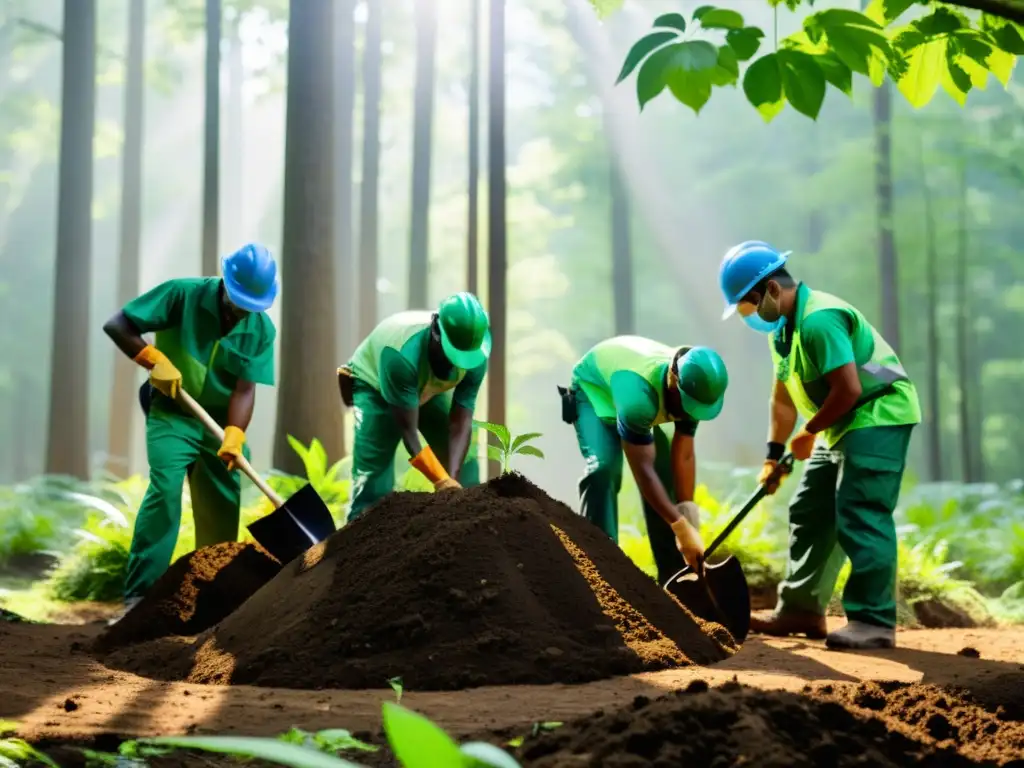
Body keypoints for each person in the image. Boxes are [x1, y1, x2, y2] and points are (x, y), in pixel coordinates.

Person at [719, 240, 921, 650]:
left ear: (772, 289)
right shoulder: (783, 332)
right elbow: (782, 399)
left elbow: (847, 388)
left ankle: (873, 621)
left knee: (860, 509)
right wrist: (774, 456)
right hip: (840, 421)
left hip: (878, 412)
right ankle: (801, 608)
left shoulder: (819, 319)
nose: (749, 315)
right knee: (810, 508)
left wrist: (809, 431)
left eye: (748, 304)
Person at [103, 243, 279, 612]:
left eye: (252, 304)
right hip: (172, 410)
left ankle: (212, 600)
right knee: (165, 490)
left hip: (219, 424)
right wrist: (151, 358)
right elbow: (118, 325)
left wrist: (235, 433)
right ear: (225, 283)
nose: (241, 311)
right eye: (238, 300)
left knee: (223, 502)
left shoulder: (261, 328)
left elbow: (245, 388)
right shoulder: (182, 293)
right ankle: (139, 597)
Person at [561, 336, 729, 585]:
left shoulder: (694, 390)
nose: (690, 414)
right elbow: (643, 472)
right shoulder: (638, 402)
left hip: (631, 396)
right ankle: (601, 572)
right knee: (603, 470)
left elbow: (683, 454)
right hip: (595, 395)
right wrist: (680, 526)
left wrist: (687, 512)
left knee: (665, 478)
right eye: (688, 406)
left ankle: (676, 577)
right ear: (673, 381)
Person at [338, 292, 491, 520]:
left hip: (426, 386)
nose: (457, 362)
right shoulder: (401, 354)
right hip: (376, 385)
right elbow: (409, 431)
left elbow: (462, 420)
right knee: (374, 480)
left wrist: (453, 476)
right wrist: (440, 480)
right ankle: (360, 537)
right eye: (453, 354)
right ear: (436, 332)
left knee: (466, 466)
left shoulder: (477, 351)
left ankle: (473, 524)